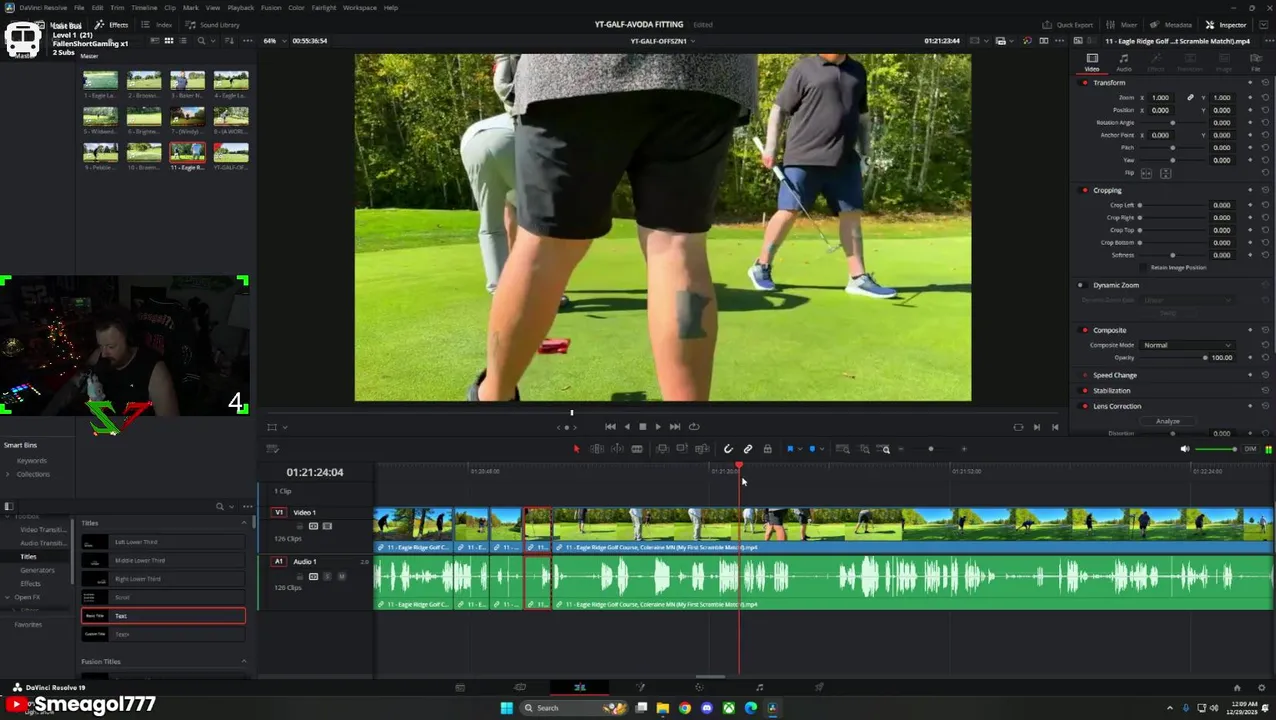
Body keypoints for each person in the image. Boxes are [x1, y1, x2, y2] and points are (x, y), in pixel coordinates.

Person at [468, 53, 758, 402]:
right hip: (705, 72)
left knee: (547, 245)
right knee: (677, 246)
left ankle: (492, 400)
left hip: (573, 69)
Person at [748, 54, 896, 299]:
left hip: (845, 159)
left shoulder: (857, 70)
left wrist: (866, 153)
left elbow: (862, 118)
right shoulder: (804, 68)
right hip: (803, 157)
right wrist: (771, 147)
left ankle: (858, 278)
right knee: (788, 210)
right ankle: (761, 266)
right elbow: (779, 109)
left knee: (851, 214)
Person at [41, 307, 180, 418]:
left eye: (111, 347)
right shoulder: (99, 355)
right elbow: (72, 386)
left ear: (129, 340)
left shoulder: (155, 371)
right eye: (101, 346)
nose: (104, 353)